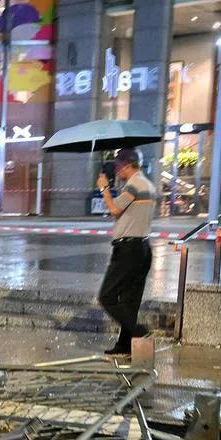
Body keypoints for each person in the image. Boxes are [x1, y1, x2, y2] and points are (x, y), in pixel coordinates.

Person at [95, 147, 155, 356]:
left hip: (128, 249)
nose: (116, 169)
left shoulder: (133, 186)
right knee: (130, 301)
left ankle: (139, 332)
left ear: (128, 165)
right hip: (143, 249)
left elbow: (114, 210)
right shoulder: (148, 184)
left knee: (107, 296)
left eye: (118, 165)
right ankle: (124, 345)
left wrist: (104, 189)